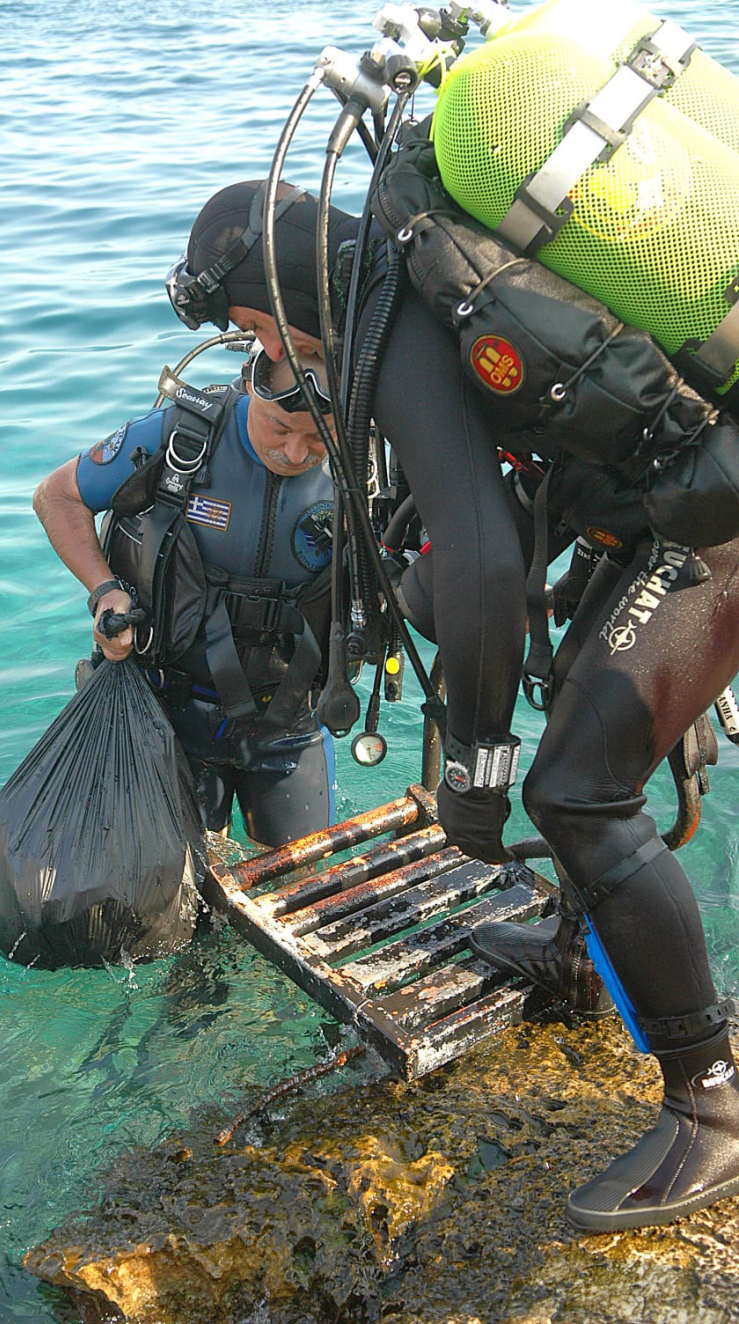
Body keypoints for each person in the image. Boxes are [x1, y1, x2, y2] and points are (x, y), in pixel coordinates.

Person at [165, 177, 739, 1232]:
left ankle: (711, 1101)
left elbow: (479, 569)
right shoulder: (415, 279)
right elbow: (498, 517)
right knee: (578, 711)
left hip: (714, 526)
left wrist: (475, 765)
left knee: (576, 790)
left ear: (276, 285)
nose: (269, 356)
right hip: (686, 493)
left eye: (255, 325)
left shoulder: (387, 312)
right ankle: (573, 953)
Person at [33, 345, 339, 848]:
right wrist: (105, 591)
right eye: (281, 429)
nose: (295, 454)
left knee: (303, 874)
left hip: (290, 711)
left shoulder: (367, 462)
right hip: (167, 708)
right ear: (248, 389)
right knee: (172, 895)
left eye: (316, 439)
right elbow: (56, 495)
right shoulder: (181, 435)